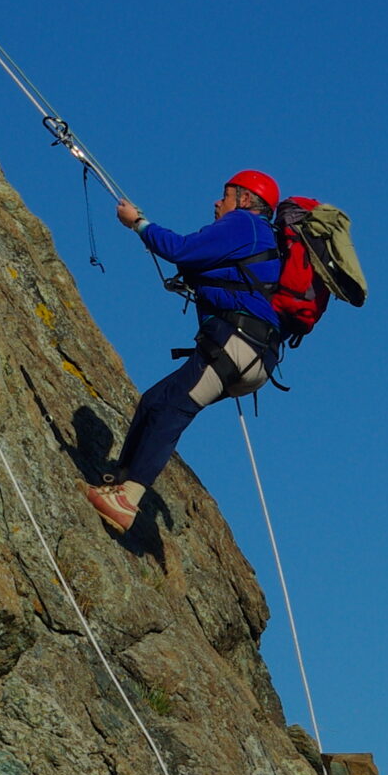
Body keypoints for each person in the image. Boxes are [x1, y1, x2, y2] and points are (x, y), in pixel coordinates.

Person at [83, 170, 285, 533]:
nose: (217, 202)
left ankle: (127, 499)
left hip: (236, 343)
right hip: (250, 350)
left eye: (225, 195)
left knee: (173, 408)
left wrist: (138, 224)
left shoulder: (242, 224)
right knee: (154, 401)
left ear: (245, 199)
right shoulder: (260, 236)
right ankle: (119, 482)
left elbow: (181, 249)